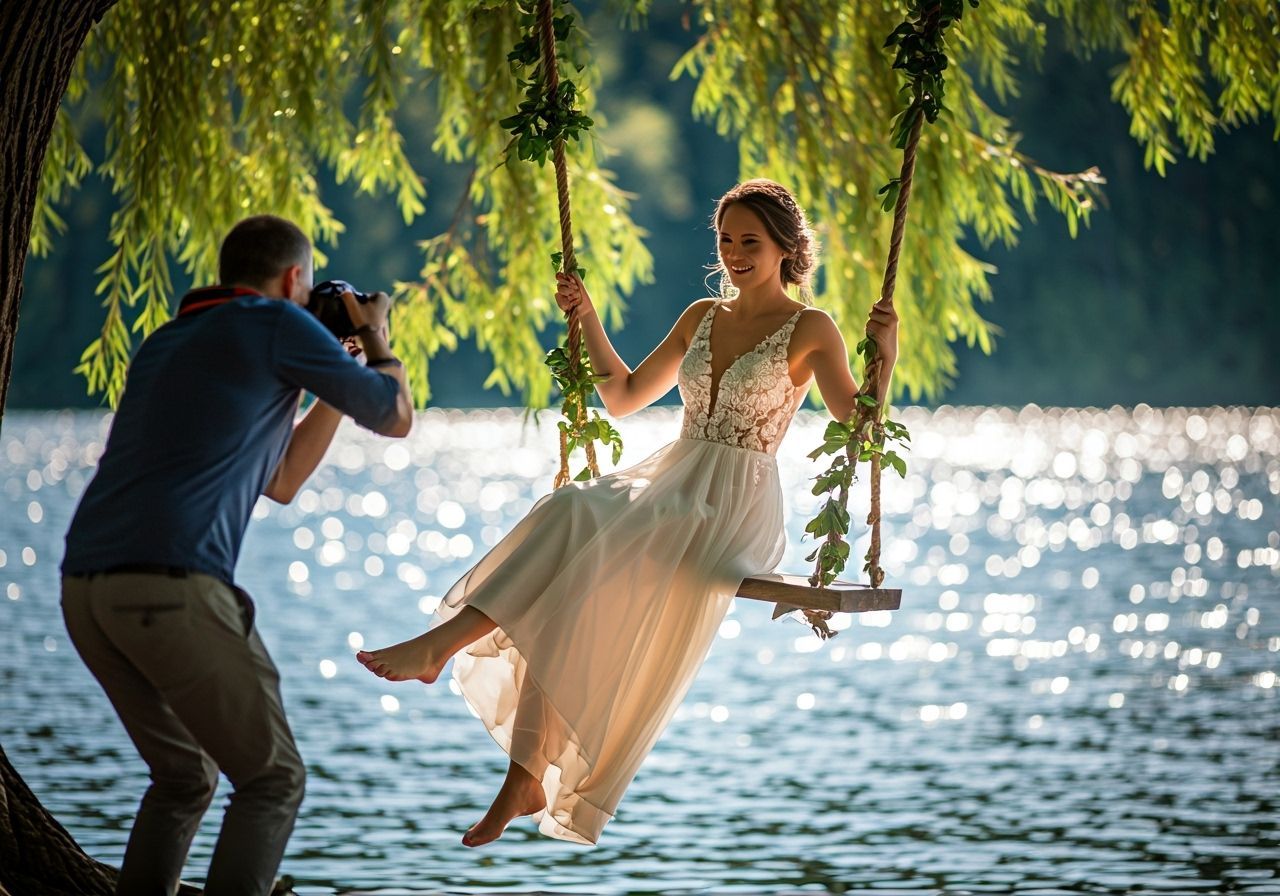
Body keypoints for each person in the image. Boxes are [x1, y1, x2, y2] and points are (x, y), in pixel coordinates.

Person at [357, 179, 898, 847]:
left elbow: (859, 425)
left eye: (749, 242)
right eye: (725, 240)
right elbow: (624, 395)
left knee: (583, 523)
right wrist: (584, 315)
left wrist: (886, 358)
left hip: (735, 502)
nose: (733, 253)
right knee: (570, 514)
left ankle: (446, 650)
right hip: (674, 479)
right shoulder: (702, 315)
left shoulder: (812, 328)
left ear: (788, 248)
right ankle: (521, 776)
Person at [60, 214, 413, 896]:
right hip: (172, 587)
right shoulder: (276, 326)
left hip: (86, 590)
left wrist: (336, 369)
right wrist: (373, 336)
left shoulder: (171, 339)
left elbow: (280, 482)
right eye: (307, 286)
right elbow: (394, 416)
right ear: (292, 280)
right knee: (274, 779)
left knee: (185, 777)